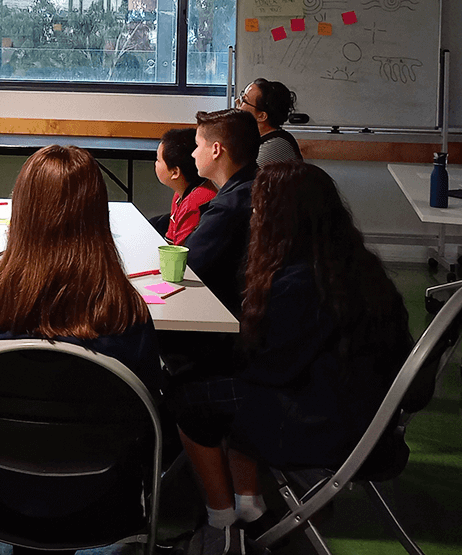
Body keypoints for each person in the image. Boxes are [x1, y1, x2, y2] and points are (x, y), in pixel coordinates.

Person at [167, 162, 411, 555]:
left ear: (280, 217)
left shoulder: (301, 283)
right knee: (215, 382)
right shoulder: (354, 268)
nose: (254, 217)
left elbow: (265, 367)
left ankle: (221, 523)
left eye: (259, 209)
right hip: (361, 414)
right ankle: (249, 505)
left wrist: (200, 352)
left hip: (323, 423)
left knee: (190, 397)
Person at [0, 145, 161, 553]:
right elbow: (147, 409)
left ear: (22, 210)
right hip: (100, 494)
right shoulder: (125, 309)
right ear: (99, 214)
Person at [183, 109, 261, 316]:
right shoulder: (258, 183)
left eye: (198, 145)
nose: (193, 153)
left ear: (216, 150)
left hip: (223, 315)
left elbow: (188, 265)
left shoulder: (229, 206)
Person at [151, 127, 217, 246]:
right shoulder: (180, 193)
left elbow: (181, 252)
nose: (155, 163)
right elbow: (170, 240)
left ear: (175, 172)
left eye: (158, 160)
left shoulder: (194, 203)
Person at [237, 78, 303, 166]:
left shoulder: (277, 145)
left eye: (244, 100)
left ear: (262, 116)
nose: (237, 102)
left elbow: (238, 177)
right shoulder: (253, 137)